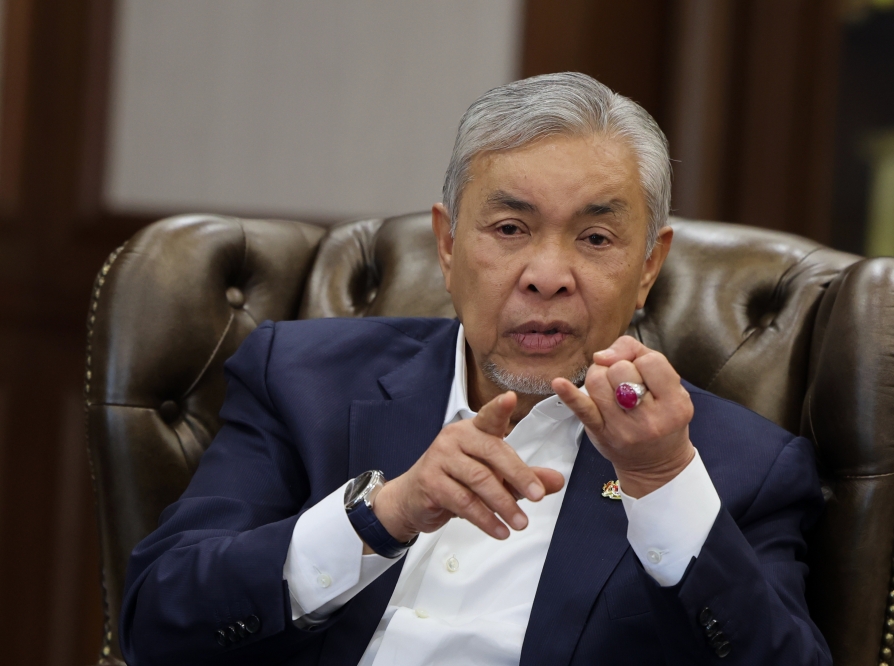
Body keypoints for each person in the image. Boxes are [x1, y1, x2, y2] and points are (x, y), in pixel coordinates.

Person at [121, 72, 832, 666]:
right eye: (510, 229)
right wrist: (383, 515)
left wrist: (663, 484)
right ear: (448, 244)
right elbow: (157, 620)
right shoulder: (302, 380)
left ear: (649, 265)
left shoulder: (741, 469)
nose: (547, 276)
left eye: (595, 237)